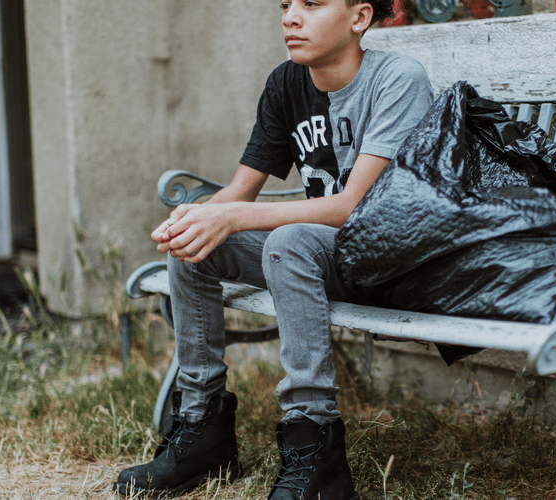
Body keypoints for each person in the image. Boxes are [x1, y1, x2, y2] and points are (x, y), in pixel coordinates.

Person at [114, 1, 433, 498]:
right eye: (285, 5)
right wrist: (192, 221)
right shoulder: (287, 84)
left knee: (286, 240)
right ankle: (202, 428)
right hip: (318, 254)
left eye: (311, 4)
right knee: (196, 242)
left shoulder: (398, 79)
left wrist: (234, 217)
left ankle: (316, 446)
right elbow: (238, 194)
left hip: (390, 260)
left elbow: (355, 208)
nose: (290, 17)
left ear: (360, 17)